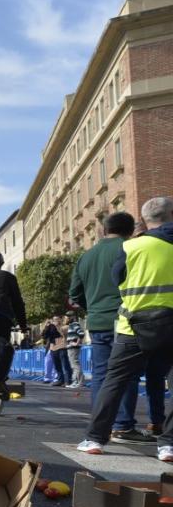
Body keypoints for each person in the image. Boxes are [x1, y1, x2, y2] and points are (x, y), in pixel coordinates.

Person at [78, 196, 173, 462]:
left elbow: (117, 277)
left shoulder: (132, 247)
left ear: (144, 221)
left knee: (114, 381)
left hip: (133, 326)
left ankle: (95, 438)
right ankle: (168, 444)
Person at [69, 211, 156, 442]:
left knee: (100, 375)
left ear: (105, 230)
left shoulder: (86, 256)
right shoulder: (132, 247)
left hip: (97, 322)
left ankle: (101, 425)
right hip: (127, 320)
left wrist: (93, 308)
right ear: (130, 230)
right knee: (127, 375)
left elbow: (74, 294)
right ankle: (123, 425)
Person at [64, 311, 85, 388]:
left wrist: (76, 343)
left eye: (67, 317)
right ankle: (77, 381)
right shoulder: (71, 325)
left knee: (75, 365)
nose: (65, 319)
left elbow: (81, 333)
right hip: (71, 347)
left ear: (71, 317)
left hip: (73, 348)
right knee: (74, 365)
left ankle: (78, 382)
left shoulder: (74, 324)